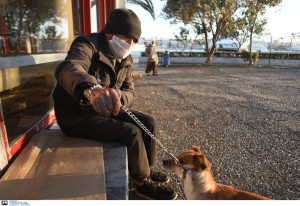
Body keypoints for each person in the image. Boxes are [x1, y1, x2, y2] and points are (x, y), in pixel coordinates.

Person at [52, 8, 177, 200]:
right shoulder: (87, 44)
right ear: (109, 32)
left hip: (106, 111)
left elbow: (131, 91)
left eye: (134, 40)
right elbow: (69, 67)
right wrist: (91, 89)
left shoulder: (126, 59)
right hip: (77, 116)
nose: (130, 44)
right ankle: (142, 184)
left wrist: (118, 95)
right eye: (126, 37)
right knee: (131, 132)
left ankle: (147, 170)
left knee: (148, 122)